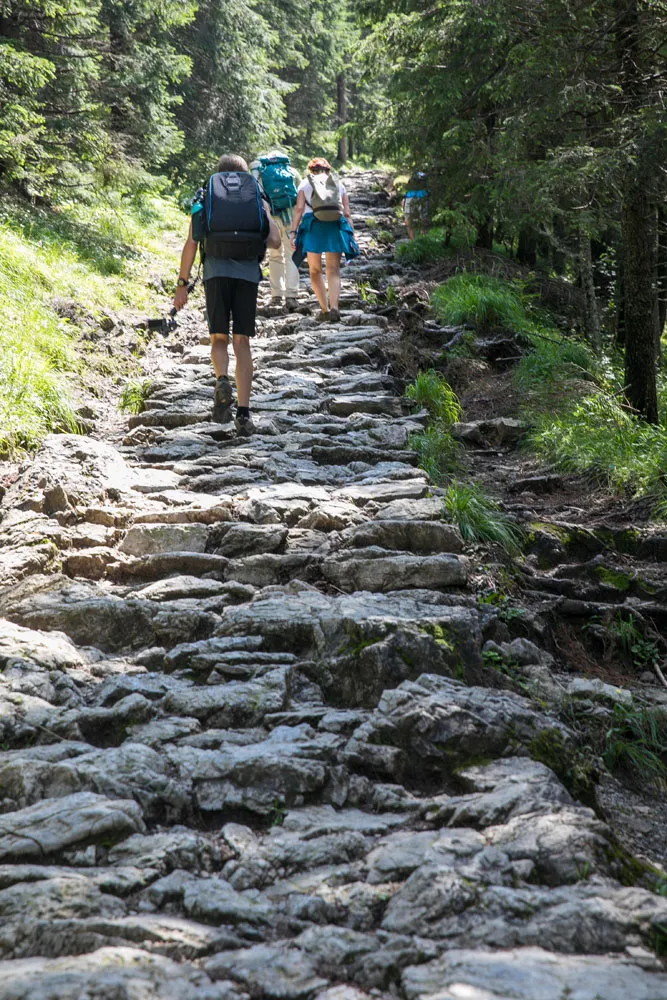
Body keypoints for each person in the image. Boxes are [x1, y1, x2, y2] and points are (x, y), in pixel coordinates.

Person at [173, 153, 280, 436]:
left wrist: (182, 283)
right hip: (247, 274)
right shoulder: (256, 196)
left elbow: (192, 243)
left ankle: (222, 379)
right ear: (246, 175)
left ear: (217, 174)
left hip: (215, 273)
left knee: (219, 337)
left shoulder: (207, 196)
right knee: (242, 342)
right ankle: (244, 414)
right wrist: (265, 213)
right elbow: (275, 241)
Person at [289, 157, 359, 323]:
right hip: (334, 226)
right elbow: (347, 212)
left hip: (313, 227)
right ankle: (335, 307)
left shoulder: (305, 185)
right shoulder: (338, 184)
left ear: (311, 170)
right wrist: (351, 232)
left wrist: (293, 232)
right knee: (333, 270)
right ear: (328, 170)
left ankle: (324, 309)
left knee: (315, 270)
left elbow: (299, 209)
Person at [250, 151, 301, 311]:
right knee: (292, 255)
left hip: (270, 219)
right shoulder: (291, 171)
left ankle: (276, 294)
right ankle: (291, 295)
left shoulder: (260, 171)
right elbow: (299, 196)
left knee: (274, 256)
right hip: (290, 217)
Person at [402, 171, 430, 239]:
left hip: (410, 197)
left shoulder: (412, 179)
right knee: (424, 218)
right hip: (423, 196)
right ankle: (424, 236)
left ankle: (413, 240)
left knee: (408, 221)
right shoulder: (424, 179)